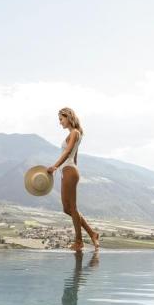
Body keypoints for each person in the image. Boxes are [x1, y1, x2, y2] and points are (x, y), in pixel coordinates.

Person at [47, 107, 99, 252]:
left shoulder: (75, 133)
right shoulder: (73, 134)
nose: (60, 122)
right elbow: (75, 155)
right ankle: (92, 234)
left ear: (68, 117)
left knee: (73, 207)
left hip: (69, 170)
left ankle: (79, 241)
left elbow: (69, 151)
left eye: (61, 119)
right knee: (66, 208)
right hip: (68, 170)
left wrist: (55, 166)